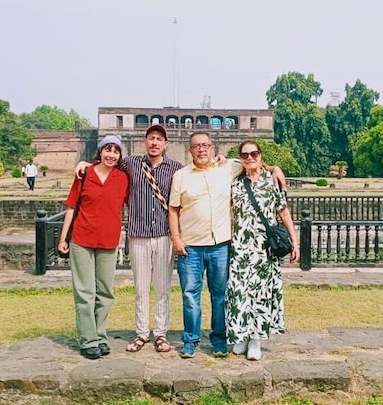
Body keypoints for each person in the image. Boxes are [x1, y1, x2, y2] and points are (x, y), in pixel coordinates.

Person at [168, 131, 286, 359]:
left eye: (205, 145)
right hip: (190, 245)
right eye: (196, 146)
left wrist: (274, 169)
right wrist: (176, 238)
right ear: (190, 150)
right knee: (190, 295)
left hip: (219, 245)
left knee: (219, 295)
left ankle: (219, 340)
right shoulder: (181, 176)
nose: (201, 149)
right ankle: (191, 340)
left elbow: (252, 162)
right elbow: (173, 209)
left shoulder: (227, 168)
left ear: (212, 148)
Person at [74, 125, 183, 353]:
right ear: (145, 141)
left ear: (166, 144)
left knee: (163, 288)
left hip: (164, 234)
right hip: (138, 234)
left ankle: (161, 333)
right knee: (141, 288)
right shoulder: (132, 163)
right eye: (151, 138)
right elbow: (106, 163)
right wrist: (84, 163)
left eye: (159, 139)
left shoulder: (176, 169)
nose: (154, 142)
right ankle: (142, 333)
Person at [58, 135, 129, 360]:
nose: (111, 155)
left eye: (116, 151)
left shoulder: (122, 178)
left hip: (108, 240)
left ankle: (100, 336)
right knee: (85, 292)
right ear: (100, 152)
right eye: (107, 150)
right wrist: (63, 239)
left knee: (106, 292)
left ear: (120, 156)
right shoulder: (84, 174)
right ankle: (88, 340)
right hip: (82, 239)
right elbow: (71, 207)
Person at [226, 140, 298, 361]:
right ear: (240, 157)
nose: (250, 158)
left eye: (254, 153)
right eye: (245, 155)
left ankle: (256, 338)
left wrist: (295, 242)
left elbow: (283, 212)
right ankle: (242, 335)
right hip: (240, 247)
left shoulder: (271, 181)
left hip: (264, 248)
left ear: (260, 155)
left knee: (260, 293)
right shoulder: (235, 183)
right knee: (239, 292)